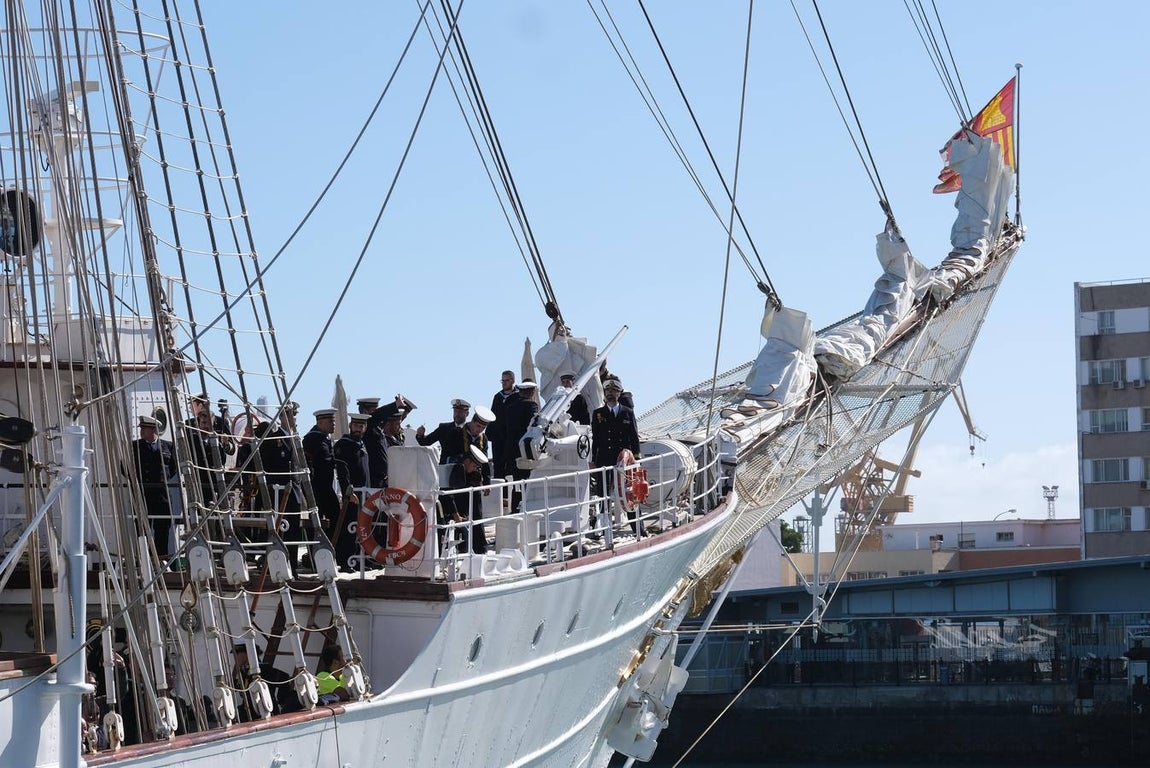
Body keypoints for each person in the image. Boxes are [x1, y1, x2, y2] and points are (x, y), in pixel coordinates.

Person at [591, 379, 642, 534]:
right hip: (605, 460)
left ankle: (638, 528)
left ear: (619, 394)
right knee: (603, 495)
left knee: (629, 494)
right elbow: (596, 439)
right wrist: (594, 460)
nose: (610, 394)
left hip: (624, 461)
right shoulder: (598, 413)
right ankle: (603, 530)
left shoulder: (627, 412)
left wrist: (636, 459)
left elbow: (634, 436)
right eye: (608, 392)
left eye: (613, 391)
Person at [131, 415, 178, 557]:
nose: (141, 432)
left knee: (162, 529)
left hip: (162, 495)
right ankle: (144, 559)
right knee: (142, 530)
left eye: (144, 429)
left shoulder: (168, 446)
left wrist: (163, 479)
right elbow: (124, 468)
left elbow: (173, 468)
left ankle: (161, 559)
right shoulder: (135, 447)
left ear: (153, 430)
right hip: (142, 494)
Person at [331, 413, 370, 569]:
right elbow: (342, 470)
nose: (358, 429)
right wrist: (348, 491)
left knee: (362, 528)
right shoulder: (344, 444)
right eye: (355, 426)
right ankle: (345, 560)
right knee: (350, 528)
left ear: (365, 428)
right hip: (352, 494)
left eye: (361, 426)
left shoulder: (361, 443)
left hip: (364, 493)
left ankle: (360, 558)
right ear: (350, 426)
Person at [444, 444, 489, 554]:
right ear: (467, 461)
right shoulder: (455, 470)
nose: (475, 469)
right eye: (474, 466)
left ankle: (480, 549)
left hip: (466, 511)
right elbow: (448, 494)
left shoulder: (473, 475)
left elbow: (476, 507)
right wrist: (455, 514)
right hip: (455, 511)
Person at [365, 395, 414, 487]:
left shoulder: (378, 429)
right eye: (373, 410)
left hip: (384, 479)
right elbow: (377, 416)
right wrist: (395, 405)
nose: (376, 413)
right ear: (365, 411)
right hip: (374, 479)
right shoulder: (368, 427)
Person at [415, 398, 470, 464]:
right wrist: (420, 435)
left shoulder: (471, 430)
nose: (457, 414)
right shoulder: (444, 428)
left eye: (460, 412)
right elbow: (425, 442)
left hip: (464, 469)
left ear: (467, 414)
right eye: (455, 411)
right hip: (445, 469)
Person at [488, 371, 519, 479]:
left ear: (513, 380)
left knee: (512, 466)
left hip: (512, 437)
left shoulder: (518, 395)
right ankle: (501, 492)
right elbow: (492, 415)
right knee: (498, 466)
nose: (504, 383)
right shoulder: (498, 397)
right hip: (499, 437)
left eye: (506, 380)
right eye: (502, 381)